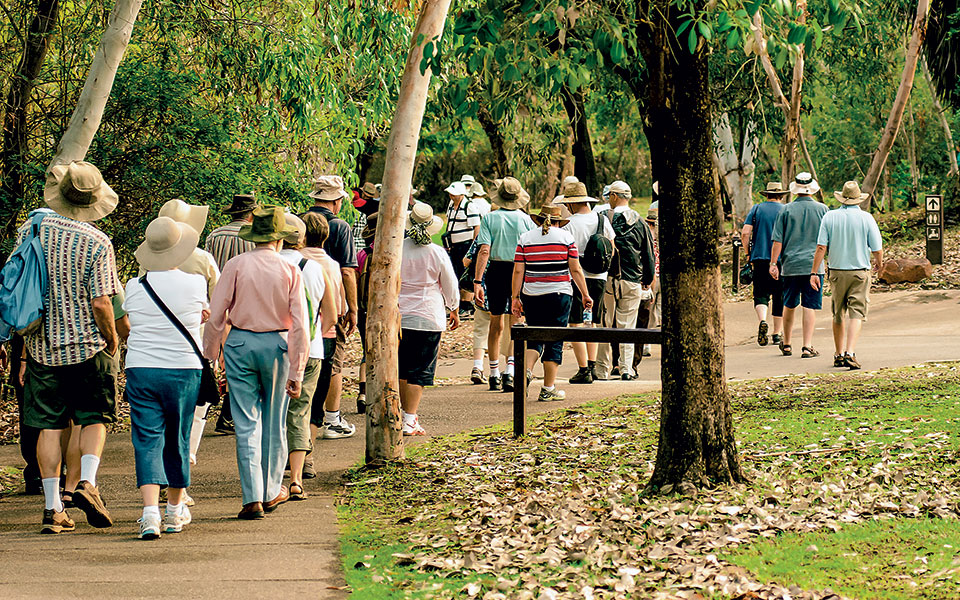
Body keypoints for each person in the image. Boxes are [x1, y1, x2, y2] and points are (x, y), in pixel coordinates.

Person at [14, 161, 121, 534]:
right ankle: (87, 484)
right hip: (87, 346)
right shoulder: (97, 242)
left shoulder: (32, 229)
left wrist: (25, 350)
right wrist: (111, 337)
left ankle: (52, 507)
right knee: (93, 418)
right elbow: (101, 303)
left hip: (42, 346)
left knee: (48, 426)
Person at [202, 206, 309, 520]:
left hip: (241, 343)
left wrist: (210, 355)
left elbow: (216, 313)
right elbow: (301, 323)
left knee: (246, 421)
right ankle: (271, 489)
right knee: (275, 418)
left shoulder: (236, 265)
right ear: (279, 239)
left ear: (253, 238)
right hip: (277, 343)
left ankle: (252, 497)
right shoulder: (291, 270)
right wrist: (297, 370)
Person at [123, 216, 208, 539]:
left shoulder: (134, 285)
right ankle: (173, 511)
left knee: (146, 439)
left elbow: (132, 317)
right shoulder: (195, 283)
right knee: (179, 436)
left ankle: (149, 514)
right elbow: (203, 313)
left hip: (142, 367)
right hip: (184, 368)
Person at [145, 199, 220, 468]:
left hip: (156, 343)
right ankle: (183, 463)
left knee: (162, 411)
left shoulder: (148, 260)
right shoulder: (202, 259)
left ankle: (163, 465)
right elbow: (220, 303)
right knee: (195, 411)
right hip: (195, 343)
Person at [278, 214, 335, 501]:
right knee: (300, 413)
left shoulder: (272, 264)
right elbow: (332, 314)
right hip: (311, 349)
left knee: (274, 413)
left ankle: (271, 477)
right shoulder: (315, 268)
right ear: (302, 238)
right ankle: (297, 479)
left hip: (276, 345)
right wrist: (314, 335)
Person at [512, 205, 592, 401]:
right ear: (558, 221)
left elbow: (518, 271)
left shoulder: (526, 238)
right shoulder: (566, 239)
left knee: (535, 337)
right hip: (559, 294)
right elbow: (575, 269)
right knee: (555, 339)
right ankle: (548, 388)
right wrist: (585, 294)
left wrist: (515, 297)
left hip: (532, 295)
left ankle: (526, 372)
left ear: (539, 220)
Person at [398, 204, 460, 435]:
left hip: (400, 313)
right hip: (428, 314)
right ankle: (410, 418)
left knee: (403, 368)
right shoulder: (436, 252)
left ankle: (406, 415)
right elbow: (449, 283)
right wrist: (453, 307)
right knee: (420, 369)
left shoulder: (399, 249)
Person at [306, 176, 358, 439]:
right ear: (336, 202)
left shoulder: (300, 222)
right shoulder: (340, 226)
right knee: (333, 361)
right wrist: (353, 308)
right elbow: (348, 271)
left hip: (300, 303)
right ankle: (331, 418)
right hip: (331, 304)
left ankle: (304, 416)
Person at [810, 181, 883, 370]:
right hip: (860, 272)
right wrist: (879, 264)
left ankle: (838, 353)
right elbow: (877, 248)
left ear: (842, 198)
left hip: (836, 272)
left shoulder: (830, 217)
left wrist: (814, 272)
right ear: (858, 199)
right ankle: (850, 352)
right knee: (856, 312)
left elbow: (820, 247)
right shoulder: (866, 218)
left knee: (838, 312)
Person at [473, 177, 536, 392]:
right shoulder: (526, 220)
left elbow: (484, 250)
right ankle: (510, 371)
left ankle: (493, 373)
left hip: (496, 271)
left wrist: (477, 280)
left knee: (495, 323)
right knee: (516, 322)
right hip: (518, 270)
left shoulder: (489, 218)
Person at [204, 193, 258, 434]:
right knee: (237, 360)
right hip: (244, 304)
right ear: (251, 214)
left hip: (216, 300)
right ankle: (227, 414)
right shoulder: (254, 236)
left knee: (214, 357)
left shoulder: (214, 236)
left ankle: (205, 409)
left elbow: (207, 267)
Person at [299, 212, 346, 476]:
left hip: (288, 337)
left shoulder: (289, 260)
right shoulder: (329, 265)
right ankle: (308, 454)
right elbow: (336, 308)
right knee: (316, 396)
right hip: (323, 337)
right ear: (326, 236)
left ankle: (289, 451)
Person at [594, 181, 655, 381]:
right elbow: (648, 253)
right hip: (632, 280)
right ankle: (626, 368)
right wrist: (647, 279)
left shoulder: (602, 219)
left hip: (608, 280)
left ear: (613, 196)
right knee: (627, 325)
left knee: (605, 325)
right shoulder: (640, 222)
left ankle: (601, 369)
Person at [558, 181, 614, 384]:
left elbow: (567, 255)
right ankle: (592, 364)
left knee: (575, 322)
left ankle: (583, 369)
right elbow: (611, 247)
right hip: (599, 276)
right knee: (593, 322)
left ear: (572, 204)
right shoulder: (602, 219)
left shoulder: (569, 224)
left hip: (576, 277)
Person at [769, 174, 829, 358]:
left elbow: (777, 241)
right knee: (809, 305)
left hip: (791, 265)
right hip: (814, 267)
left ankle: (786, 343)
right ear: (812, 188)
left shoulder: (785, 211)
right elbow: (827, 241)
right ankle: (807, 345)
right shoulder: (823, 210)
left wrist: (773, 263)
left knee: (789, 304)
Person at [742, 182, 787, 347]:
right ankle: (777, 333)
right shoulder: (785, 210)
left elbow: (745, 233)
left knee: (760, 292)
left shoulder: (756, 209)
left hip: (759, 258)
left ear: (766, 194)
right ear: (781, 195)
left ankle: (762, 321)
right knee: (779, 295)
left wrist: (748, 254)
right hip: (781, 259)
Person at [444, 180, 481, 319]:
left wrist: (473, 248)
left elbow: (476, 227)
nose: (451, 196)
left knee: (464, 274)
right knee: (454, 273)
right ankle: (458, 304)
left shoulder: (469, 206)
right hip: (453, 245)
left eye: (454, 194)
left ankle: (466, 305)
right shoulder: (451, 205)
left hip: (464, 245)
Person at [354, 214, 377, 413]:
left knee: (365, 351)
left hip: (363, 308)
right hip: (382, 310)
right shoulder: (388, 254)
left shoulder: (360, 255)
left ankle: (362, 393)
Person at [640, 200, 660, 358]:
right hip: (662, 277)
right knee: (657, 312)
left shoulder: (646, 239)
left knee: (648, 311)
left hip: (652, 276)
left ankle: (646, 343)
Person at [352, 182, 379, 255]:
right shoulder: (378, 205)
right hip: (373, 238)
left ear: (363, 193)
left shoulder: (359, 206)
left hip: (360, 238)